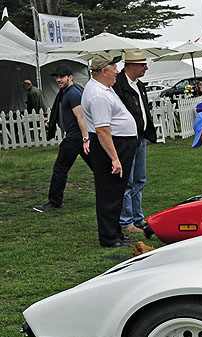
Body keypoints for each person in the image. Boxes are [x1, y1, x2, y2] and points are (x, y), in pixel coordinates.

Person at [81, 52, 138, 248]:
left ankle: (114, 232)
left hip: (120, 142)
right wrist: (114, 158)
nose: (117, 71)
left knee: (116, 190)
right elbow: (102, 129)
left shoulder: (103, 88)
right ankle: (109, 237)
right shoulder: (98, 95)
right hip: (113, 144)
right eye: (114, 68)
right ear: (103, 71)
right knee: (109, 191)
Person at [34, 65, 93, 212]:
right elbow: (66, 113)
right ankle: (116, 191)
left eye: (62, 77)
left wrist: (85, 138)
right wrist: (53, 121)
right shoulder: (65, 93)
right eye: (57, 77)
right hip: (76, 136)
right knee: (99, 167)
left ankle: (54, 203)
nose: (58, 80)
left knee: (60, 169)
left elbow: (81, 117)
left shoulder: (73, 94)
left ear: (70, 77)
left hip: (75, 137)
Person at [112, 49, 157, 235]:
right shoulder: (118, 86)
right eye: (142, 65)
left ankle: (138, 218)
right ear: (131, 66)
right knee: (128, 182)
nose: (145, 68)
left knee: (139, 179)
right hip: (126, 139)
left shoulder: (139, 85)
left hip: (139, 138)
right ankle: (126, 221)